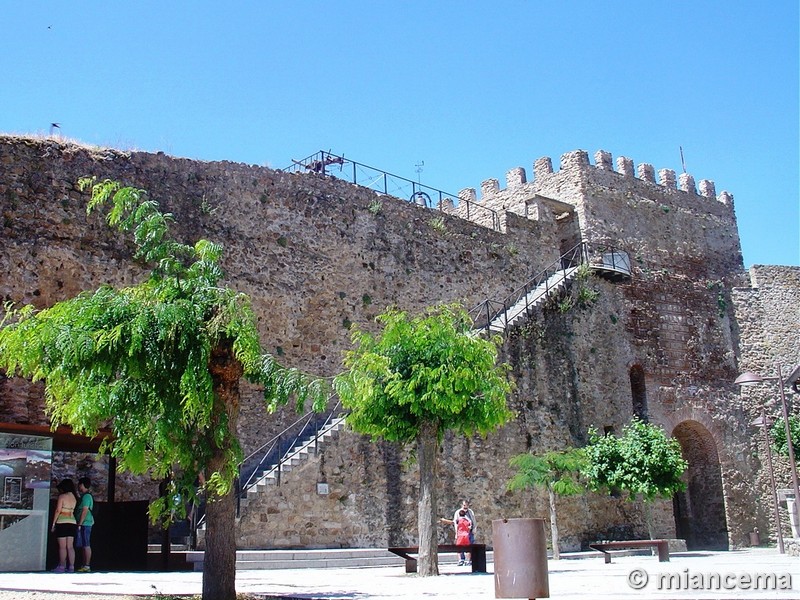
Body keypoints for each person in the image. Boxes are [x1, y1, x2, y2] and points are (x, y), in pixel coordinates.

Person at [50, 479, 78, 573]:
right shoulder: (74, 497)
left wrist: (53, 523)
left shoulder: (62, 496)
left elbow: (58, 510)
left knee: (62, 546)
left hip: (62, 522)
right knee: (70, 546)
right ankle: (72, 566)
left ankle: (62, 566)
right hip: (72, 522)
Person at [74, 477, 95, 572]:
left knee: (86, 544)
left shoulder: (86, 497)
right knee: (84, 544)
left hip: (85, 523)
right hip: (84, 523)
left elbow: (85, 510)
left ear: (82, 484)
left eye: (80, 484)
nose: (79, 486)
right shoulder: (84, 496)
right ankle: (84, 564)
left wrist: (80, 523)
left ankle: (87, 565)